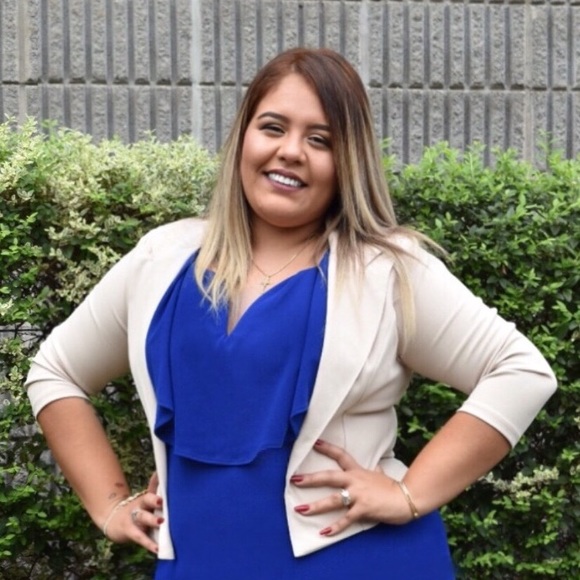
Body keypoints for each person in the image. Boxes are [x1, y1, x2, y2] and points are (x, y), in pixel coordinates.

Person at [25, 48, 557, 578]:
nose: (290, 151)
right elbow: (56, 370)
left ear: (348, 162)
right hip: (201, 564)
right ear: (244, 137)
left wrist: (409, 493)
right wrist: (109, 504)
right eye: (273, 127)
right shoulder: (161, 258)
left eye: (320, 140)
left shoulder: (387, 271)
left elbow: (520, 371)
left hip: (360, 562)